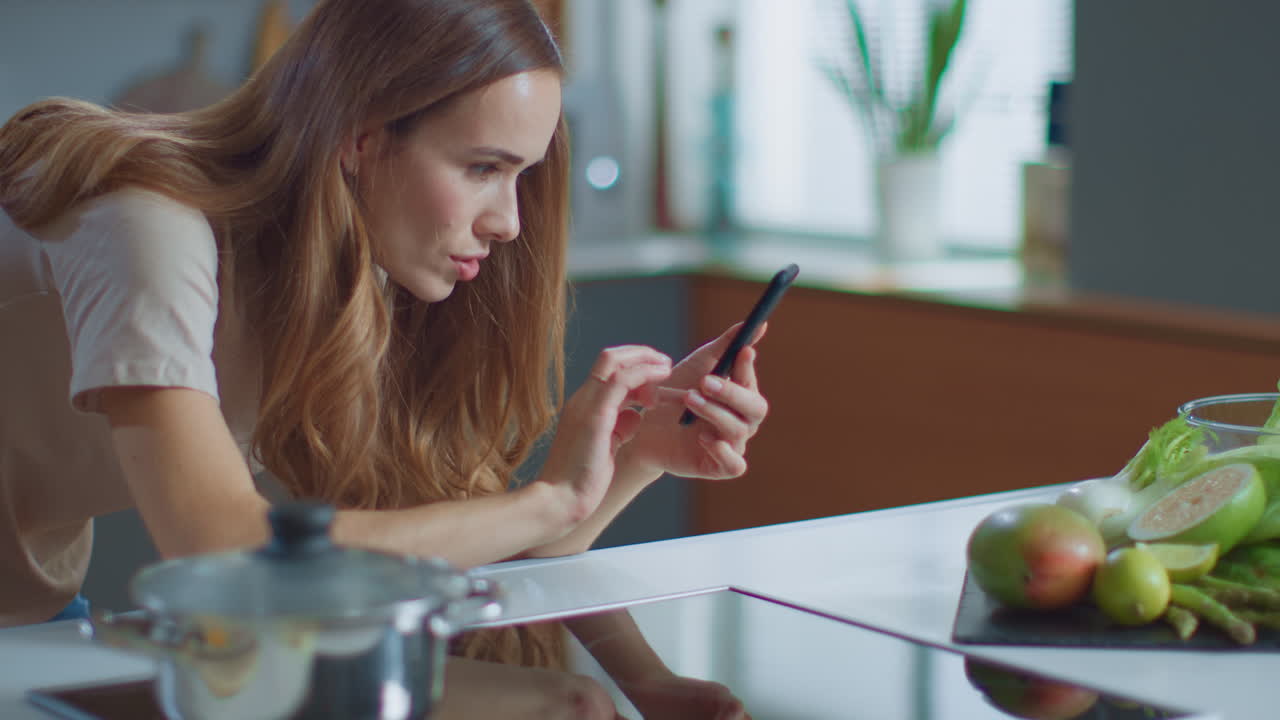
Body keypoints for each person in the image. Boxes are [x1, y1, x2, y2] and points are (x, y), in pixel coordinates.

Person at [0, 0, 767, 715]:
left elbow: (487, 545)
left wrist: (641, 457)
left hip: (32, 619)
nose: (509, 222)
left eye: (522, 175)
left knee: (568, 705)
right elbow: (223, 556)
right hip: (31, 634)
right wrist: (551, 498)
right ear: (361, 137)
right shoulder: (150, 227)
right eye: (482, 169)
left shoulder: (329, 279)